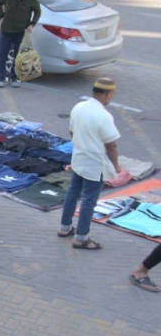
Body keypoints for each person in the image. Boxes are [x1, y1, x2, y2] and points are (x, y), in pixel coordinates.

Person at [58, 78, 124, 251]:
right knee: (89, 199)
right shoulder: (104, 116)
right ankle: (81, 238)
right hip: (94, 163)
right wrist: (116, 165)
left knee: (73, 192)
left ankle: (64, 227)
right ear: (108, 94)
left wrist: (82, 145)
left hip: (79, 158)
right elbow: (111, 145)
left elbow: (72, 131)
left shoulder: (78, 107)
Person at [0, 0, 41, 88]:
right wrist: (1, 16)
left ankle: (13, 77)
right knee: (2, 54)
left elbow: (38, 12)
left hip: (21, 32)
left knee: (18, 56)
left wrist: (32, 24)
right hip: (6, 30)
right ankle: (1, 77)